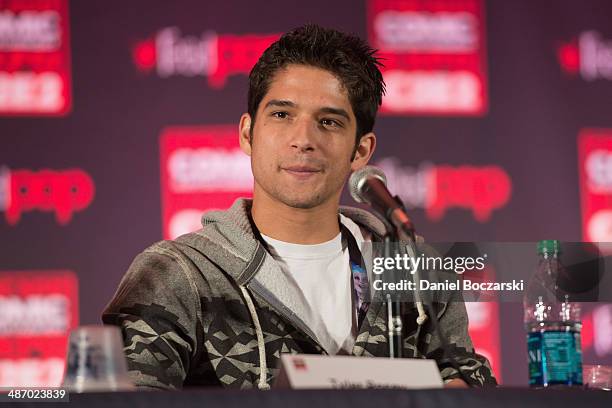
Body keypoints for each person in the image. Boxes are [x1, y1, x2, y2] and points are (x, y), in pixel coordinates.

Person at [102, 24, 497, 390]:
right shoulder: (180, 274)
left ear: (361, 150)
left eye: (328, 122)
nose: (303, 139)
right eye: (281, 114)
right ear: (247, 133)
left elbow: (468, 379)